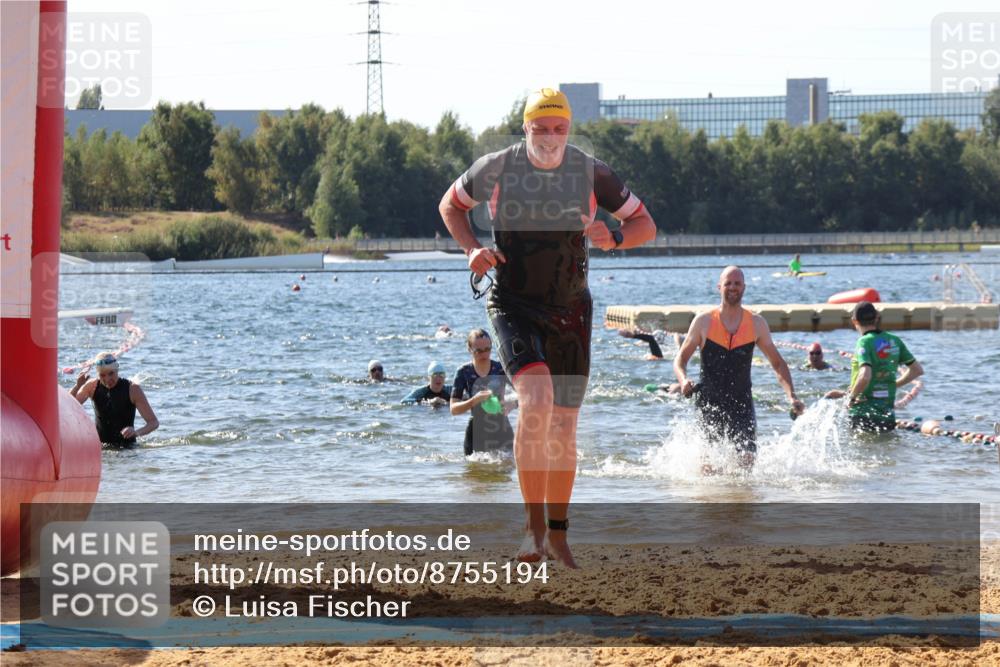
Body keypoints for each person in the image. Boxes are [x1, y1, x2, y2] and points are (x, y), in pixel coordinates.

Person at [439, 87, 657, 567]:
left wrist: (615, 237)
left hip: (571, 310)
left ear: (569, 130)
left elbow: (645, 224)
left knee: (564, 428)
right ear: (526, 128)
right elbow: (449, 206)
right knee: (535, 402)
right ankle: (532, 533)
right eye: (541, 129)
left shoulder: (591, 171)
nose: (551, 138)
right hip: (513, 302)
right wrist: (472, 249)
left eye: (560, 129)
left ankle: (558, 536)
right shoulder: (496, 167)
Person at [674, 266, 805, 467]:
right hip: (710, 401)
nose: (733, 287)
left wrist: (791, 396)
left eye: (737, 283)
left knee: (747, 463)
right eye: (728, 283)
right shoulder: (703, 322)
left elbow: (777, 363)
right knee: (708, 466)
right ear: (719, 287)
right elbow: (680, 360)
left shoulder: (757, 323)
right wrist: (683, 380)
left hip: (741, 402)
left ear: (744, 287)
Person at [824, 301, 923, 433]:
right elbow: (917, 370)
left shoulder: (864, 341)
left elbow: (865, 375)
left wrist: (851, 398)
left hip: (863, 413)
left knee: (862, 451)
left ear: (854, 321)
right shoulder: (894, 340)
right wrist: (893, 385)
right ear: (877, 317)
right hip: (887, 414)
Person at [70, 352, 159, 448]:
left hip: (128, 449)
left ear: (117, 370)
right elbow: (68, 405)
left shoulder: (132, 389)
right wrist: (78, 386)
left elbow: (153, 422)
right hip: (101, 448)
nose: (107, 379)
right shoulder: (92, 386)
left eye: (111, 374)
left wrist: (136, 432)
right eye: (102, 375)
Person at [450, 329, 515, 455]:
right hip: (476, 432)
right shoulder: (463, 372)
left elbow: (525, 394)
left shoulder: (501, 369)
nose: (484, 355)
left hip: (502, 429)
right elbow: (453, 409)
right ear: (469, 349)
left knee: (506, 468)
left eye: (488, 349)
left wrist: (512, 405)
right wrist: (474, 400)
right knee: (474, 471)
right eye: (478, 351)